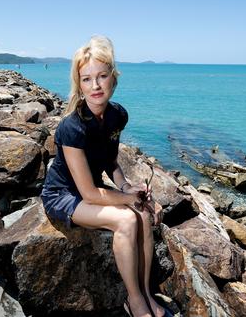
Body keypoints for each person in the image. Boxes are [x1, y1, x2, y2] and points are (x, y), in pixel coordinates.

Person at [40, 36, 169, 317]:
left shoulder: (117, 115)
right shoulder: (71, 128)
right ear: (79, 84)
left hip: (93, 188)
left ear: (113, 77)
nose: (95, 86)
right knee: (125, 218)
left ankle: (147, 293)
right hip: (64, 196)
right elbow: (87, 194)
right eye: (87, 79)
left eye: (102, 76)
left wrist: (126, 185)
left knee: (144, 217)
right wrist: (127, 199)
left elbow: (109, 160)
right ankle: (134, 301)